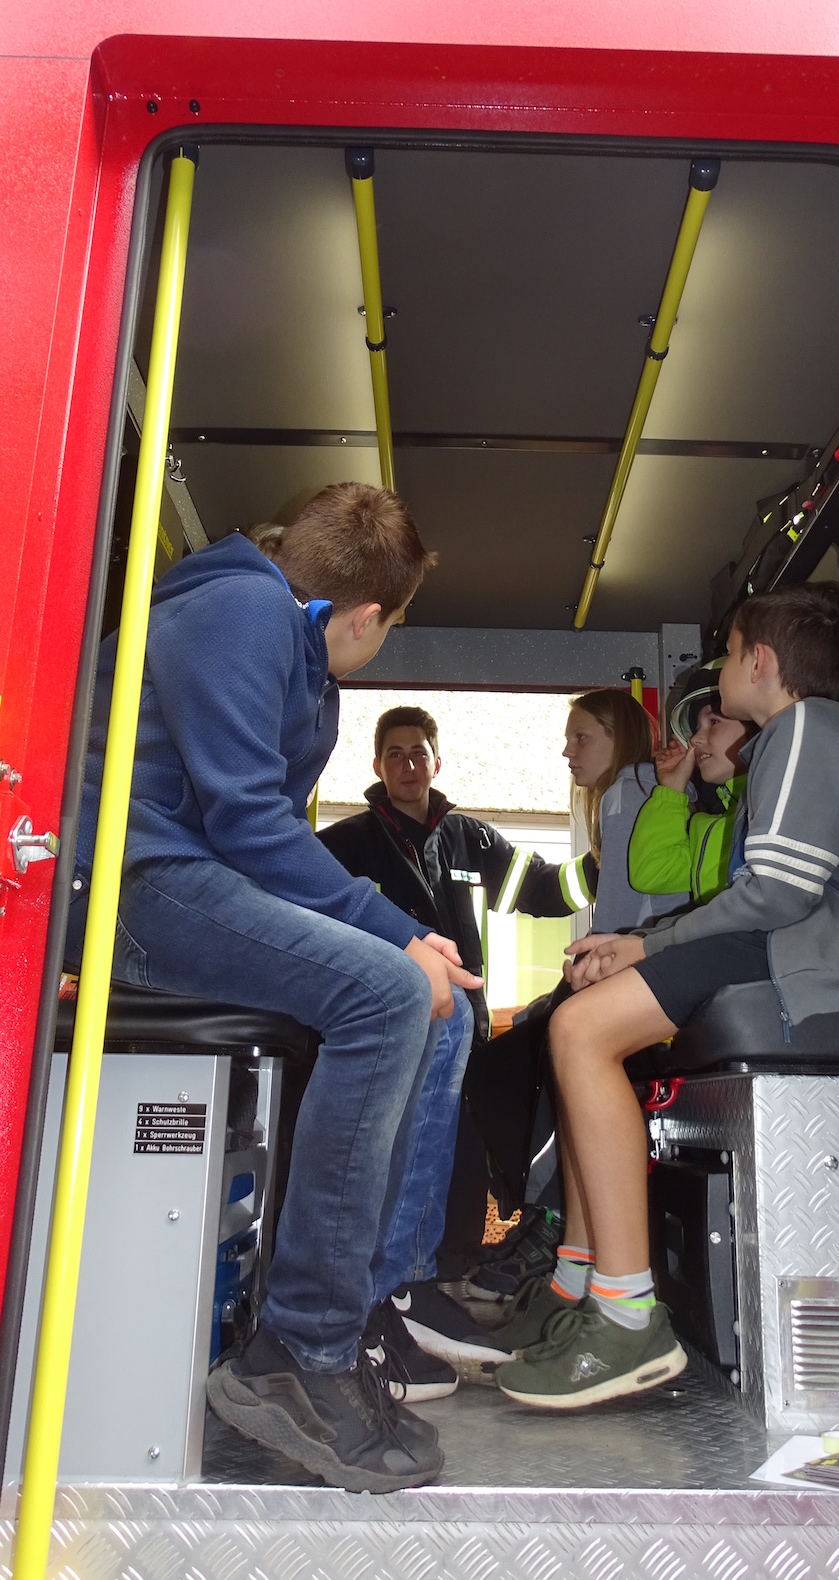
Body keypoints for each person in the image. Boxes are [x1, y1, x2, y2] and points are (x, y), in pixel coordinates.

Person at [64, 483, 483, 1492]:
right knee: (390, 993)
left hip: (196, 879)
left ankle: (364, 1303)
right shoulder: (239, 609)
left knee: (440, 1006)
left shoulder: (291, 644)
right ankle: (301, 1348)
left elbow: (265, 831)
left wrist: (409, 941)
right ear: (369, 615)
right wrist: (396, 934)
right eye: (390, 628)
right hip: (134, 887)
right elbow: (250, 823)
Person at [494, 583, 839, 1409]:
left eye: (726, 655)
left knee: (581, 1032)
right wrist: (639, 943)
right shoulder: (794, 738)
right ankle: (580, 1279)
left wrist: (647, 945)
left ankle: (625, 1316)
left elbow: (780, 894)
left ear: (760, 663)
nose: (720, 673)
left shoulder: (810, 728)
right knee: (577, 1027)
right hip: (788, 940)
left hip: (819, 953)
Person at [318, 705, 596, 1396]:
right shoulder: (345, 845)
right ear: (377, 766)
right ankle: (397, 1291)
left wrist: (612, 854)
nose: (409, 765)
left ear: (437, 763)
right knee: (388, 1155)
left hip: (461, 1034)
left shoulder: (470, 839)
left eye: (419, 752)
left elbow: (547, 891)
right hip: (383, 1034)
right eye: (395, 753)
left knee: (459, 1161)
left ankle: (434, 1286)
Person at [464, 688, 686, 1305]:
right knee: (529, 1040)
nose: (568, 752)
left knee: (526, 1057)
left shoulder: (628, 792)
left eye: (582, 737)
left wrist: (583, 975)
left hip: (643, 971)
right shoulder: (643, 791)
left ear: (621, 739)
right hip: (656, 965)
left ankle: (553, 1222)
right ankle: (548, 1219)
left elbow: (621, 915)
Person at [627, 659, 753, 906]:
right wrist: (672, 789)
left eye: (713, 722)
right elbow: (652, 873)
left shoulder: (779, 811)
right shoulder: (711, 828)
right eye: (696, 728)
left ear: (758, 726)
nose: (695, 739)